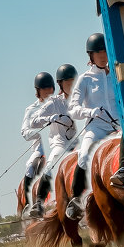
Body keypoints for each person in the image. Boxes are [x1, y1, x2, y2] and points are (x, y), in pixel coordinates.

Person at [65, 33, 118, 220]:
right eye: (98, 52)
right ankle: (76, 198)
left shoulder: (117, 75)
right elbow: (73, 109)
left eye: (105, 51)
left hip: (118, 127)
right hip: (96, 127)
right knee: (85, 153)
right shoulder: (85, 79)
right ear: (91, 56)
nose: (103, 55)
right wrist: (89, 112)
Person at [27, 64, 78, 217]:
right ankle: (39, 203)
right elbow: (33, 122)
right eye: (67, 83)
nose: (71, 86)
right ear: (60, 84)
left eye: (73, 82)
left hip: (78, 142)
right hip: (60, 143)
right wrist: (49, 118)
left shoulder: (81, 98)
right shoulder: (54, 103)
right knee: (53, 161)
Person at [20, 72, 55, 212]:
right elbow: (24, 132)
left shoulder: (59, 103)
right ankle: (29, 203)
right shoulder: (31, 110)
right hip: (40, 149)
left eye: (50, 88)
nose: (48, 91)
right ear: (38, 91)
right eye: (44, 89)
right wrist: (39, 132)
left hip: (59, 144)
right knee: (30, 166)